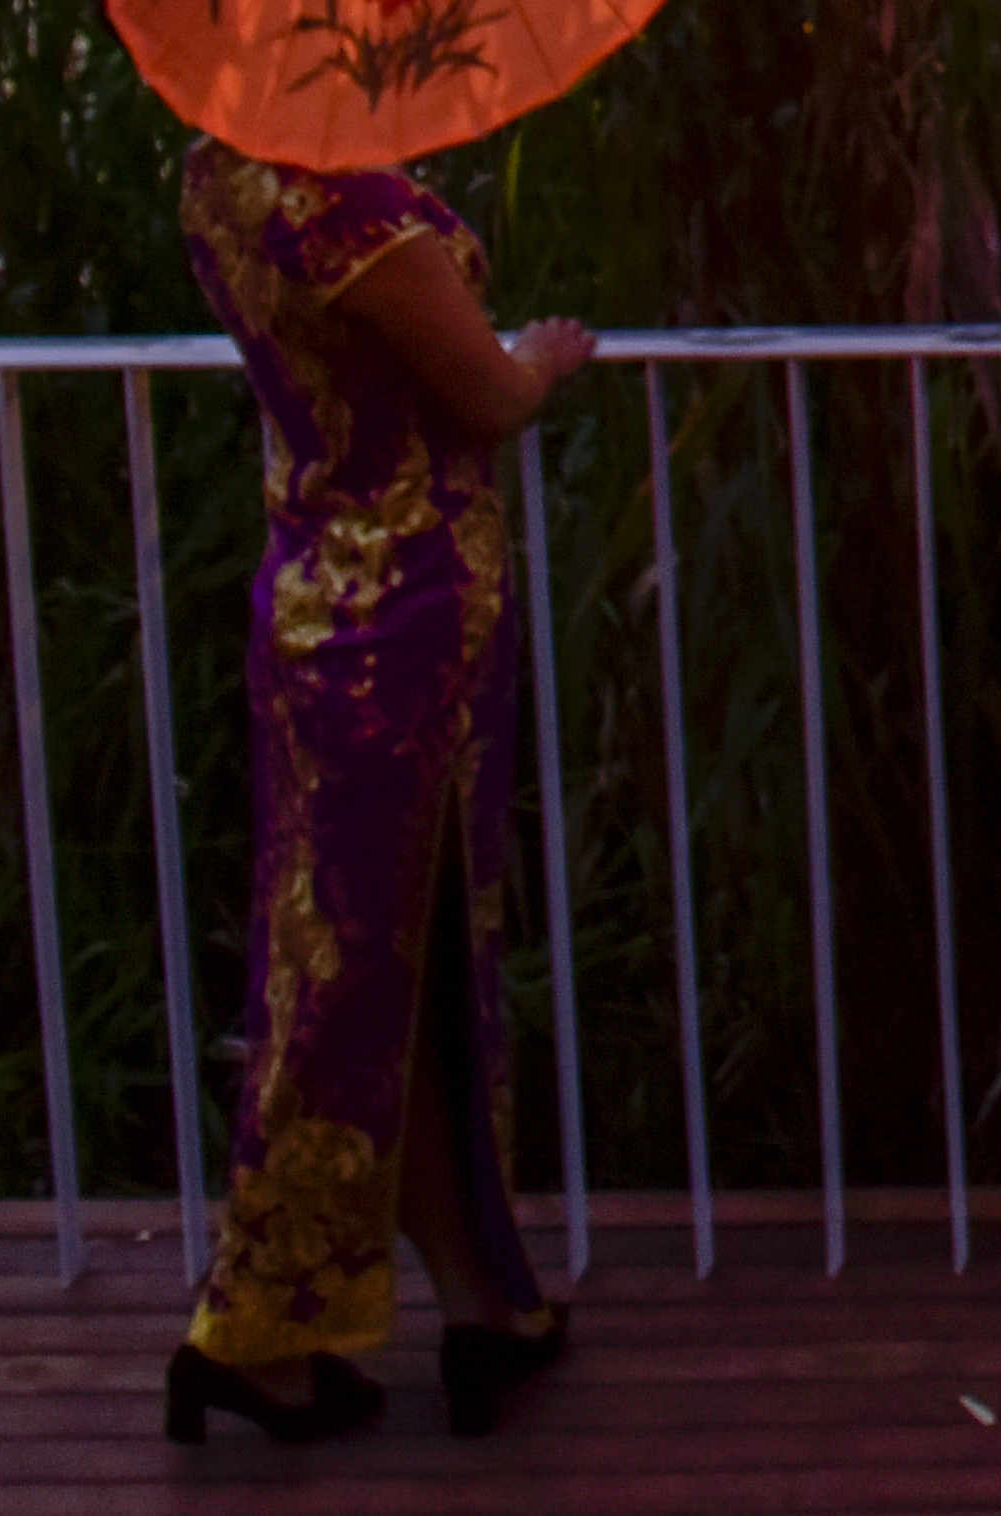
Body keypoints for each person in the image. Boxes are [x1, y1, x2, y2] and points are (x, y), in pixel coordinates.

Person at [162, 138, 590, 1450]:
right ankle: (259, 1328)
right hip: (407, 623)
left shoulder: (220, 175)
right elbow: (485, 394)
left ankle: (466, 1304)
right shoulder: (352, 214)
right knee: (371, 978)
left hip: (313, 590)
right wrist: (547, 358)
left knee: (363, 971)